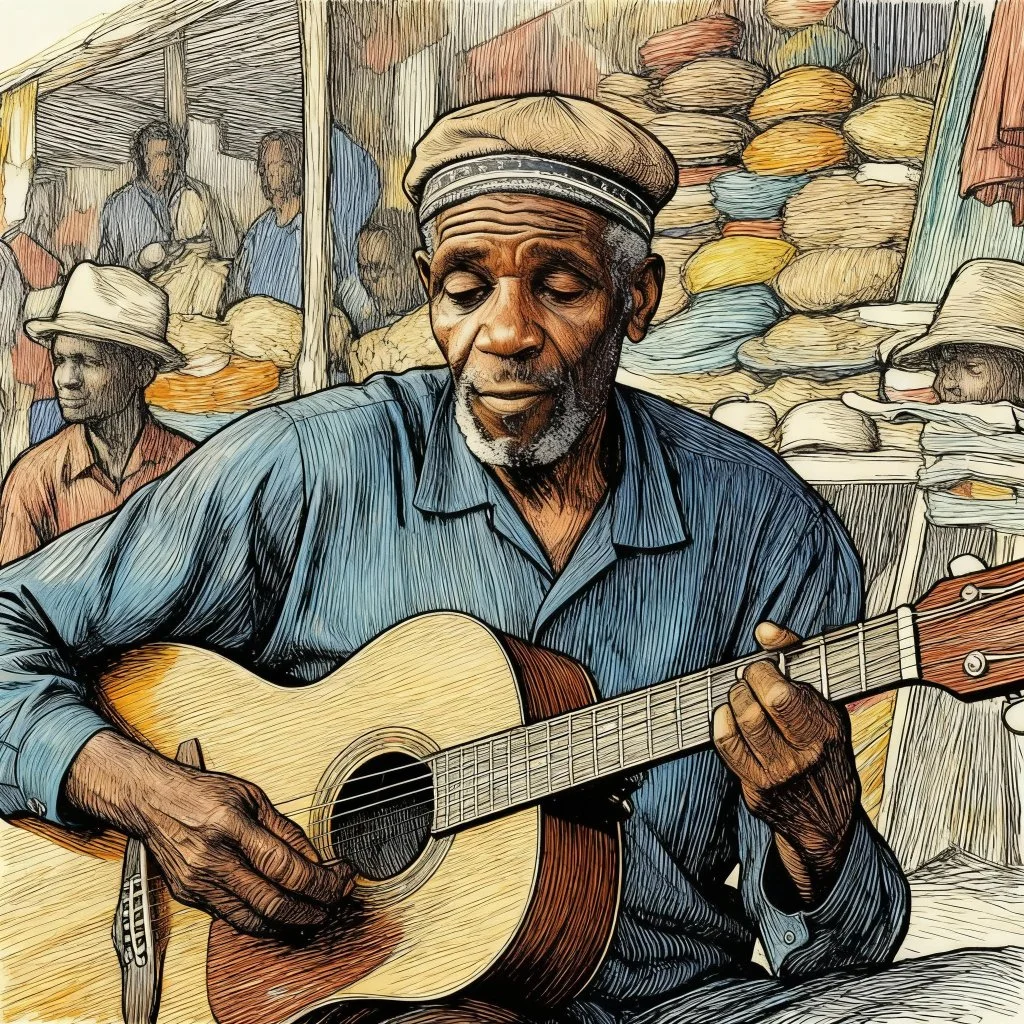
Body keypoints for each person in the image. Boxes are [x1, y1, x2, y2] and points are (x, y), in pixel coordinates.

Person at [0, 96, 1013, 1023]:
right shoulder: (314, 465)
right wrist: (144, 792)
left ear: (638, 297)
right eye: (465, 287)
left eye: (560, 285)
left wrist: (821, 831)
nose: (506, 335)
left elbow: (831, 961)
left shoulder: (769, 530)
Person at [0, 262, 195, 565]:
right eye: (60, 359)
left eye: (87, 361)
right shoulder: (33, 480)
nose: (65, 378)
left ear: (142, 371)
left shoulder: (190, 470)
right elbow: (11, 605)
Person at [227, 125, 380, 321]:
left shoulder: (315, 227)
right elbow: (236, 288)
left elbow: (345, 283)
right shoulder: (259, 230)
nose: (270, 173)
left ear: (297, 167)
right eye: (265, 167)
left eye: (279, 164)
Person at [98, 120, 237, 272]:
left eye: (169, 155)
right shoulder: (118, 205)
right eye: (158, 156)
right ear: (142, 160)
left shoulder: (191, 195)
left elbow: (217, 249)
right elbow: (105, 268)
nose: (166, 165)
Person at [4, 178, 65, 445]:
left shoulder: (19, 245)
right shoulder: (16, 244)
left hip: (31, 372)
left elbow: (53, 278)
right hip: (28, 374)